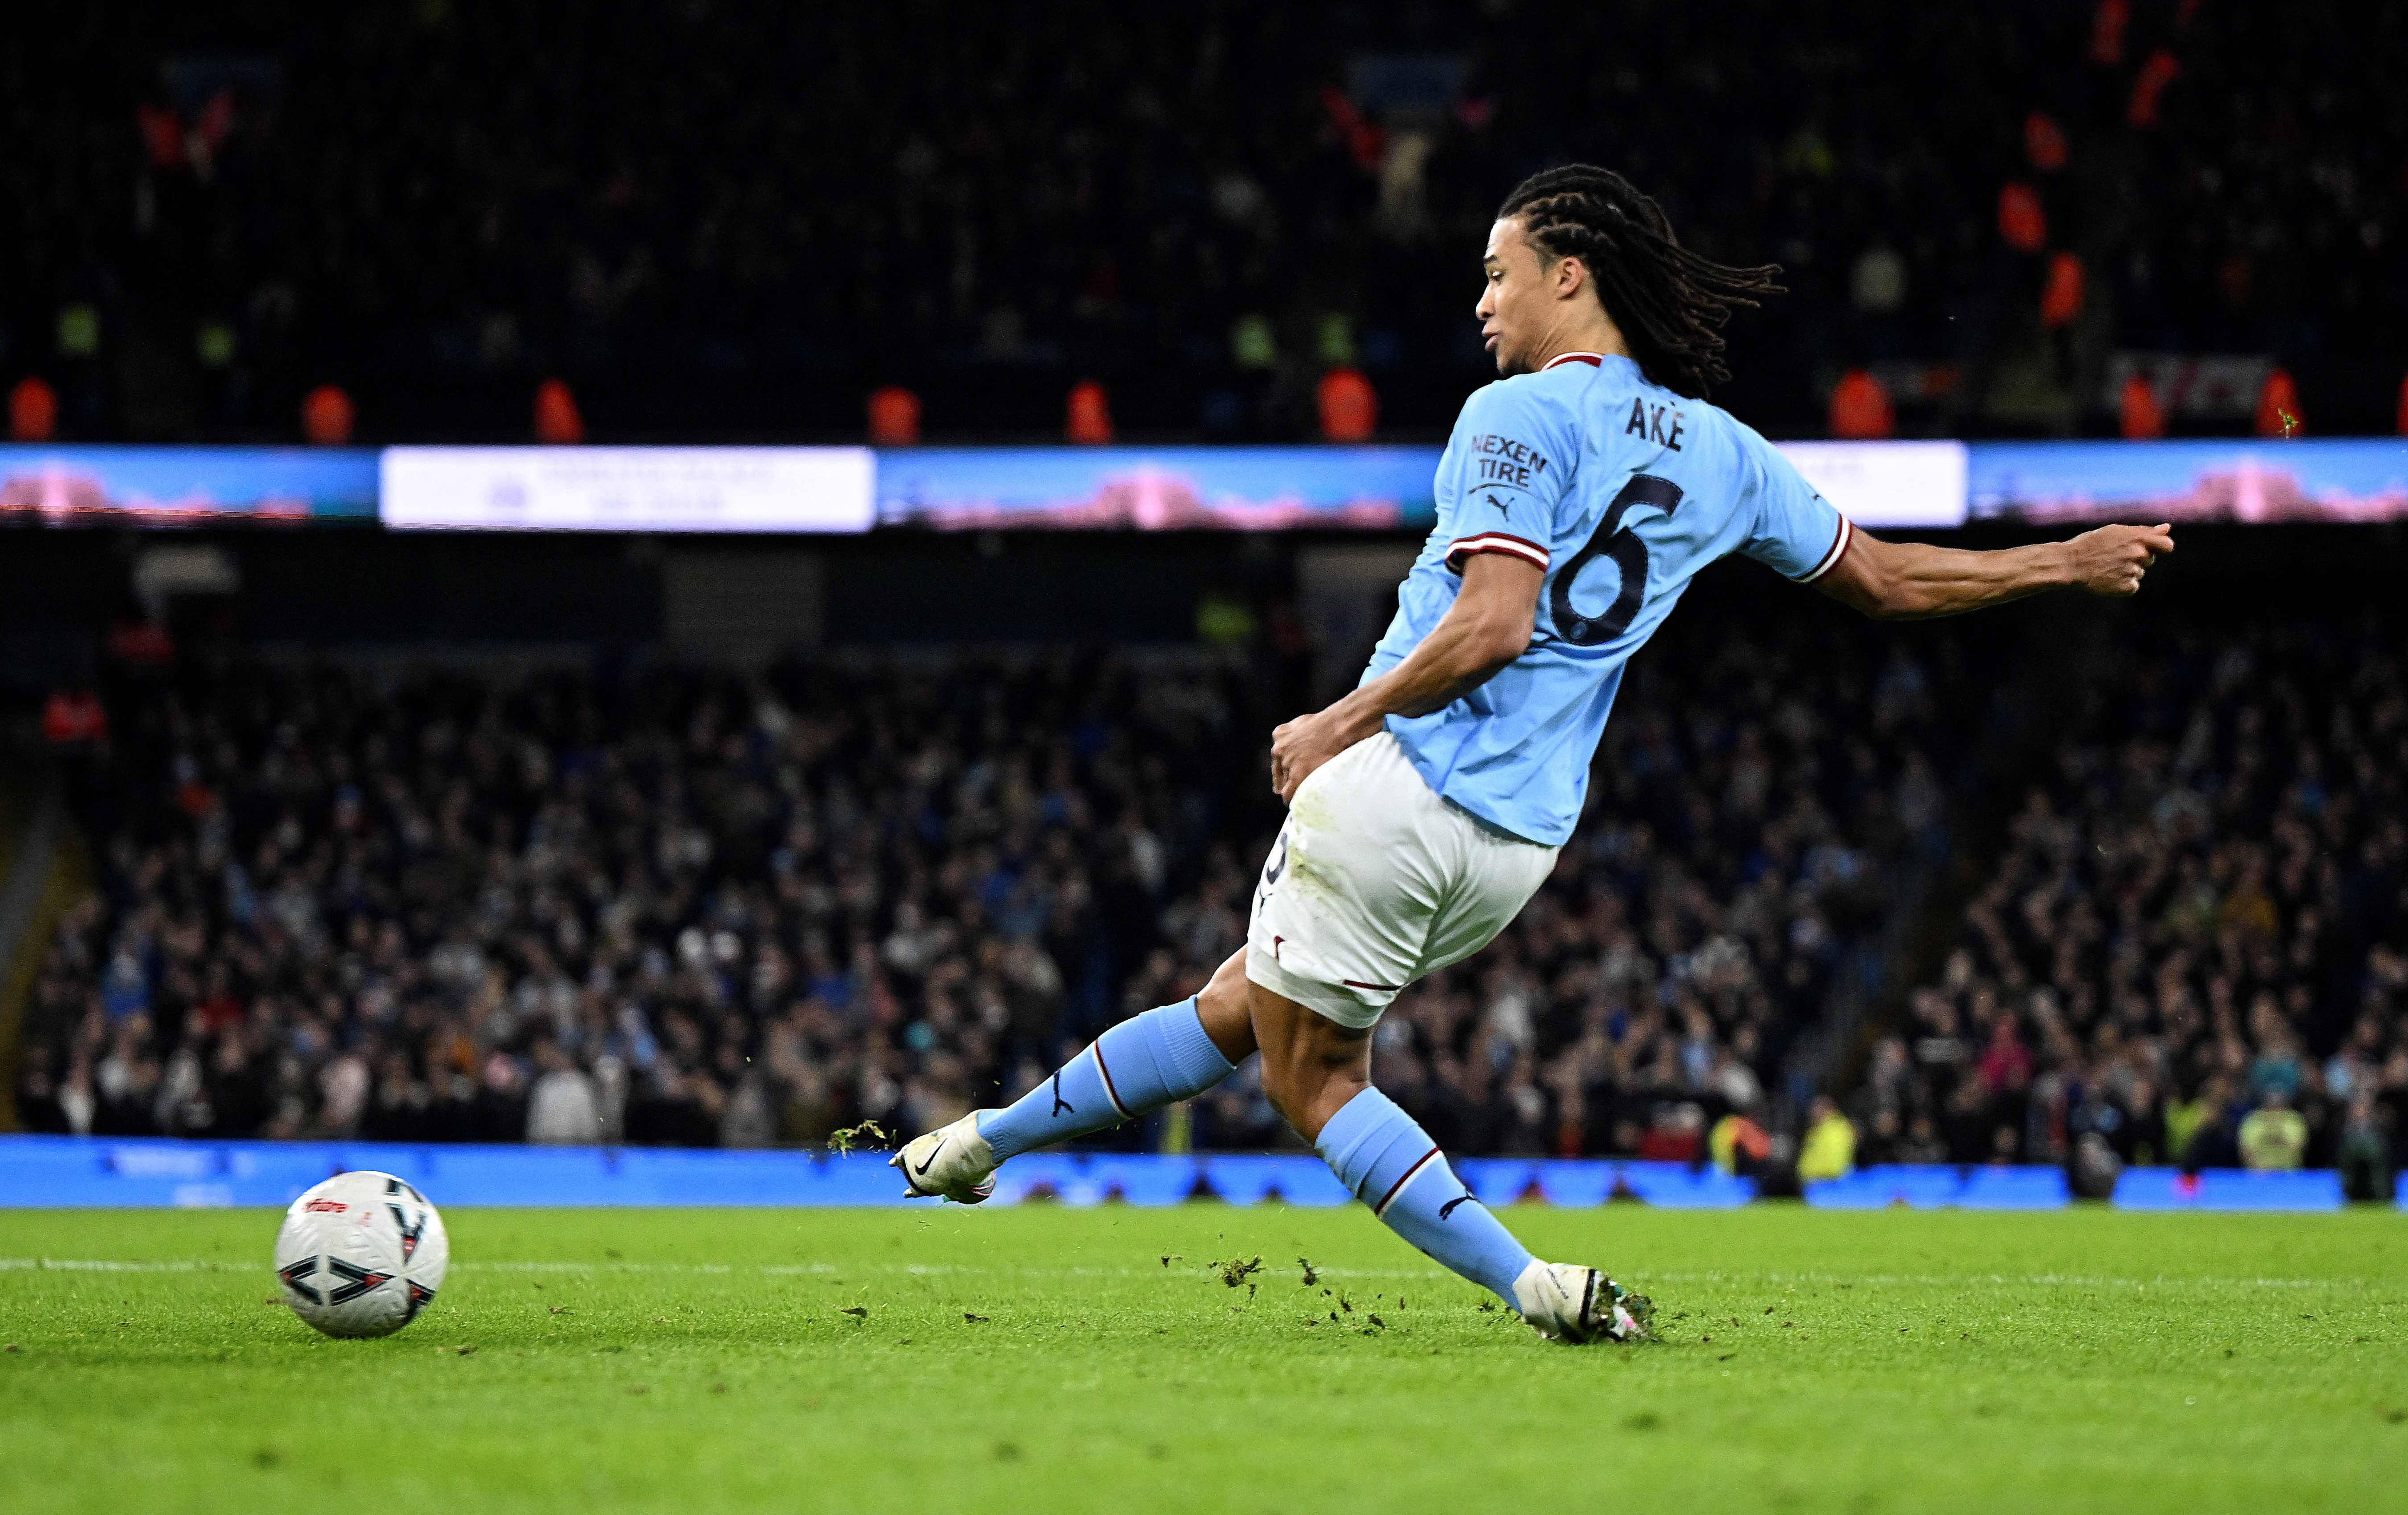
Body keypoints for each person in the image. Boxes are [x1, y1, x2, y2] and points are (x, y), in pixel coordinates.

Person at [892, 163, 2176, 1343]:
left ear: (1572, 275)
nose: (1480, 300)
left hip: (1397, 784)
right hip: (1516, 847)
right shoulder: (1723, 451)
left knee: (1312, 1074)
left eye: (1498, 272)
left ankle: (1533, 1284)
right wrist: (2062, 557)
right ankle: (983, 1142)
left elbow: (1496, 621)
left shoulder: (1513, 417)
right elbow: (1887, 579)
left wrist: (1342, 717)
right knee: (1246, 1003)